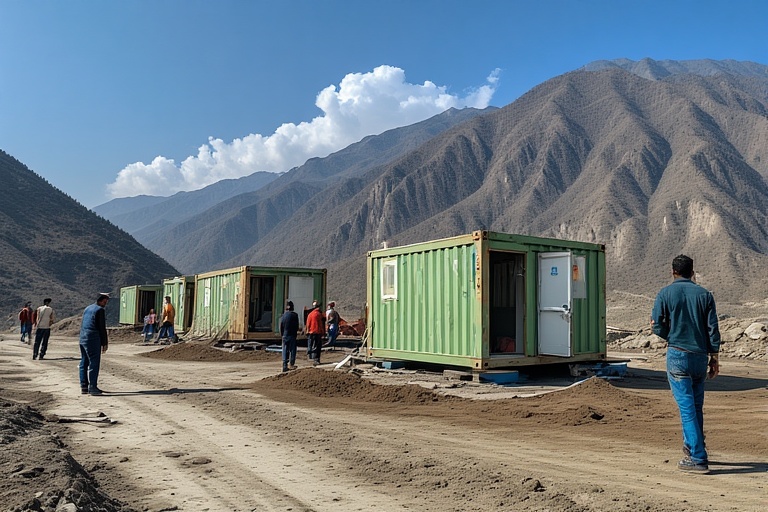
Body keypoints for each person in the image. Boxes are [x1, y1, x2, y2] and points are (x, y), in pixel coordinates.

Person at [651, 255, 720, 473]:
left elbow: (656, 325)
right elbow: (713, 329)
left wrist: (669, 335)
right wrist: (714, 357)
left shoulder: (665, 293)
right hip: (699, 357)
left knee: (687, 408)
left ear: (673, 272)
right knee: (696, 407)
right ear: (692, 272)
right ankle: (693, 448)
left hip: (678, 355)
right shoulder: (705, 295)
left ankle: (698, 457)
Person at [79, 293, 110, 396]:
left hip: (83, 338)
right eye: (105, 301)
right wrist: (104, 343)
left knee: (84, 362)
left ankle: (84, 386)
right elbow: (102, 327)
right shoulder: (100, 310)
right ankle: (92, 387)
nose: (106, 304)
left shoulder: (87, 308)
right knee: (94, 363)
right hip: (93, 339)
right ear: (101, 300)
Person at [279, 301, 299, 372]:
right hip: (292, 335)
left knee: (285, 349)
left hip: (285, 335)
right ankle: (292, 364)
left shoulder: (283, 315)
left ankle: (285, 364)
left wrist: (282, 334)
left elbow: (281, 326)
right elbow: (296, 326)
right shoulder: (295, 315)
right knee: (292, 350)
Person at [305, 299, 325, 366]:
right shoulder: (319, 314)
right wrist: (323, 332)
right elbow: (320, 324)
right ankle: (316, 359)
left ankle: (310, 355)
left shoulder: (310, 314)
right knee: (317, 346)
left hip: (310, 332)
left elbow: (307, 324)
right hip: (317, 332)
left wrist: (307, 331)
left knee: (310, 345)